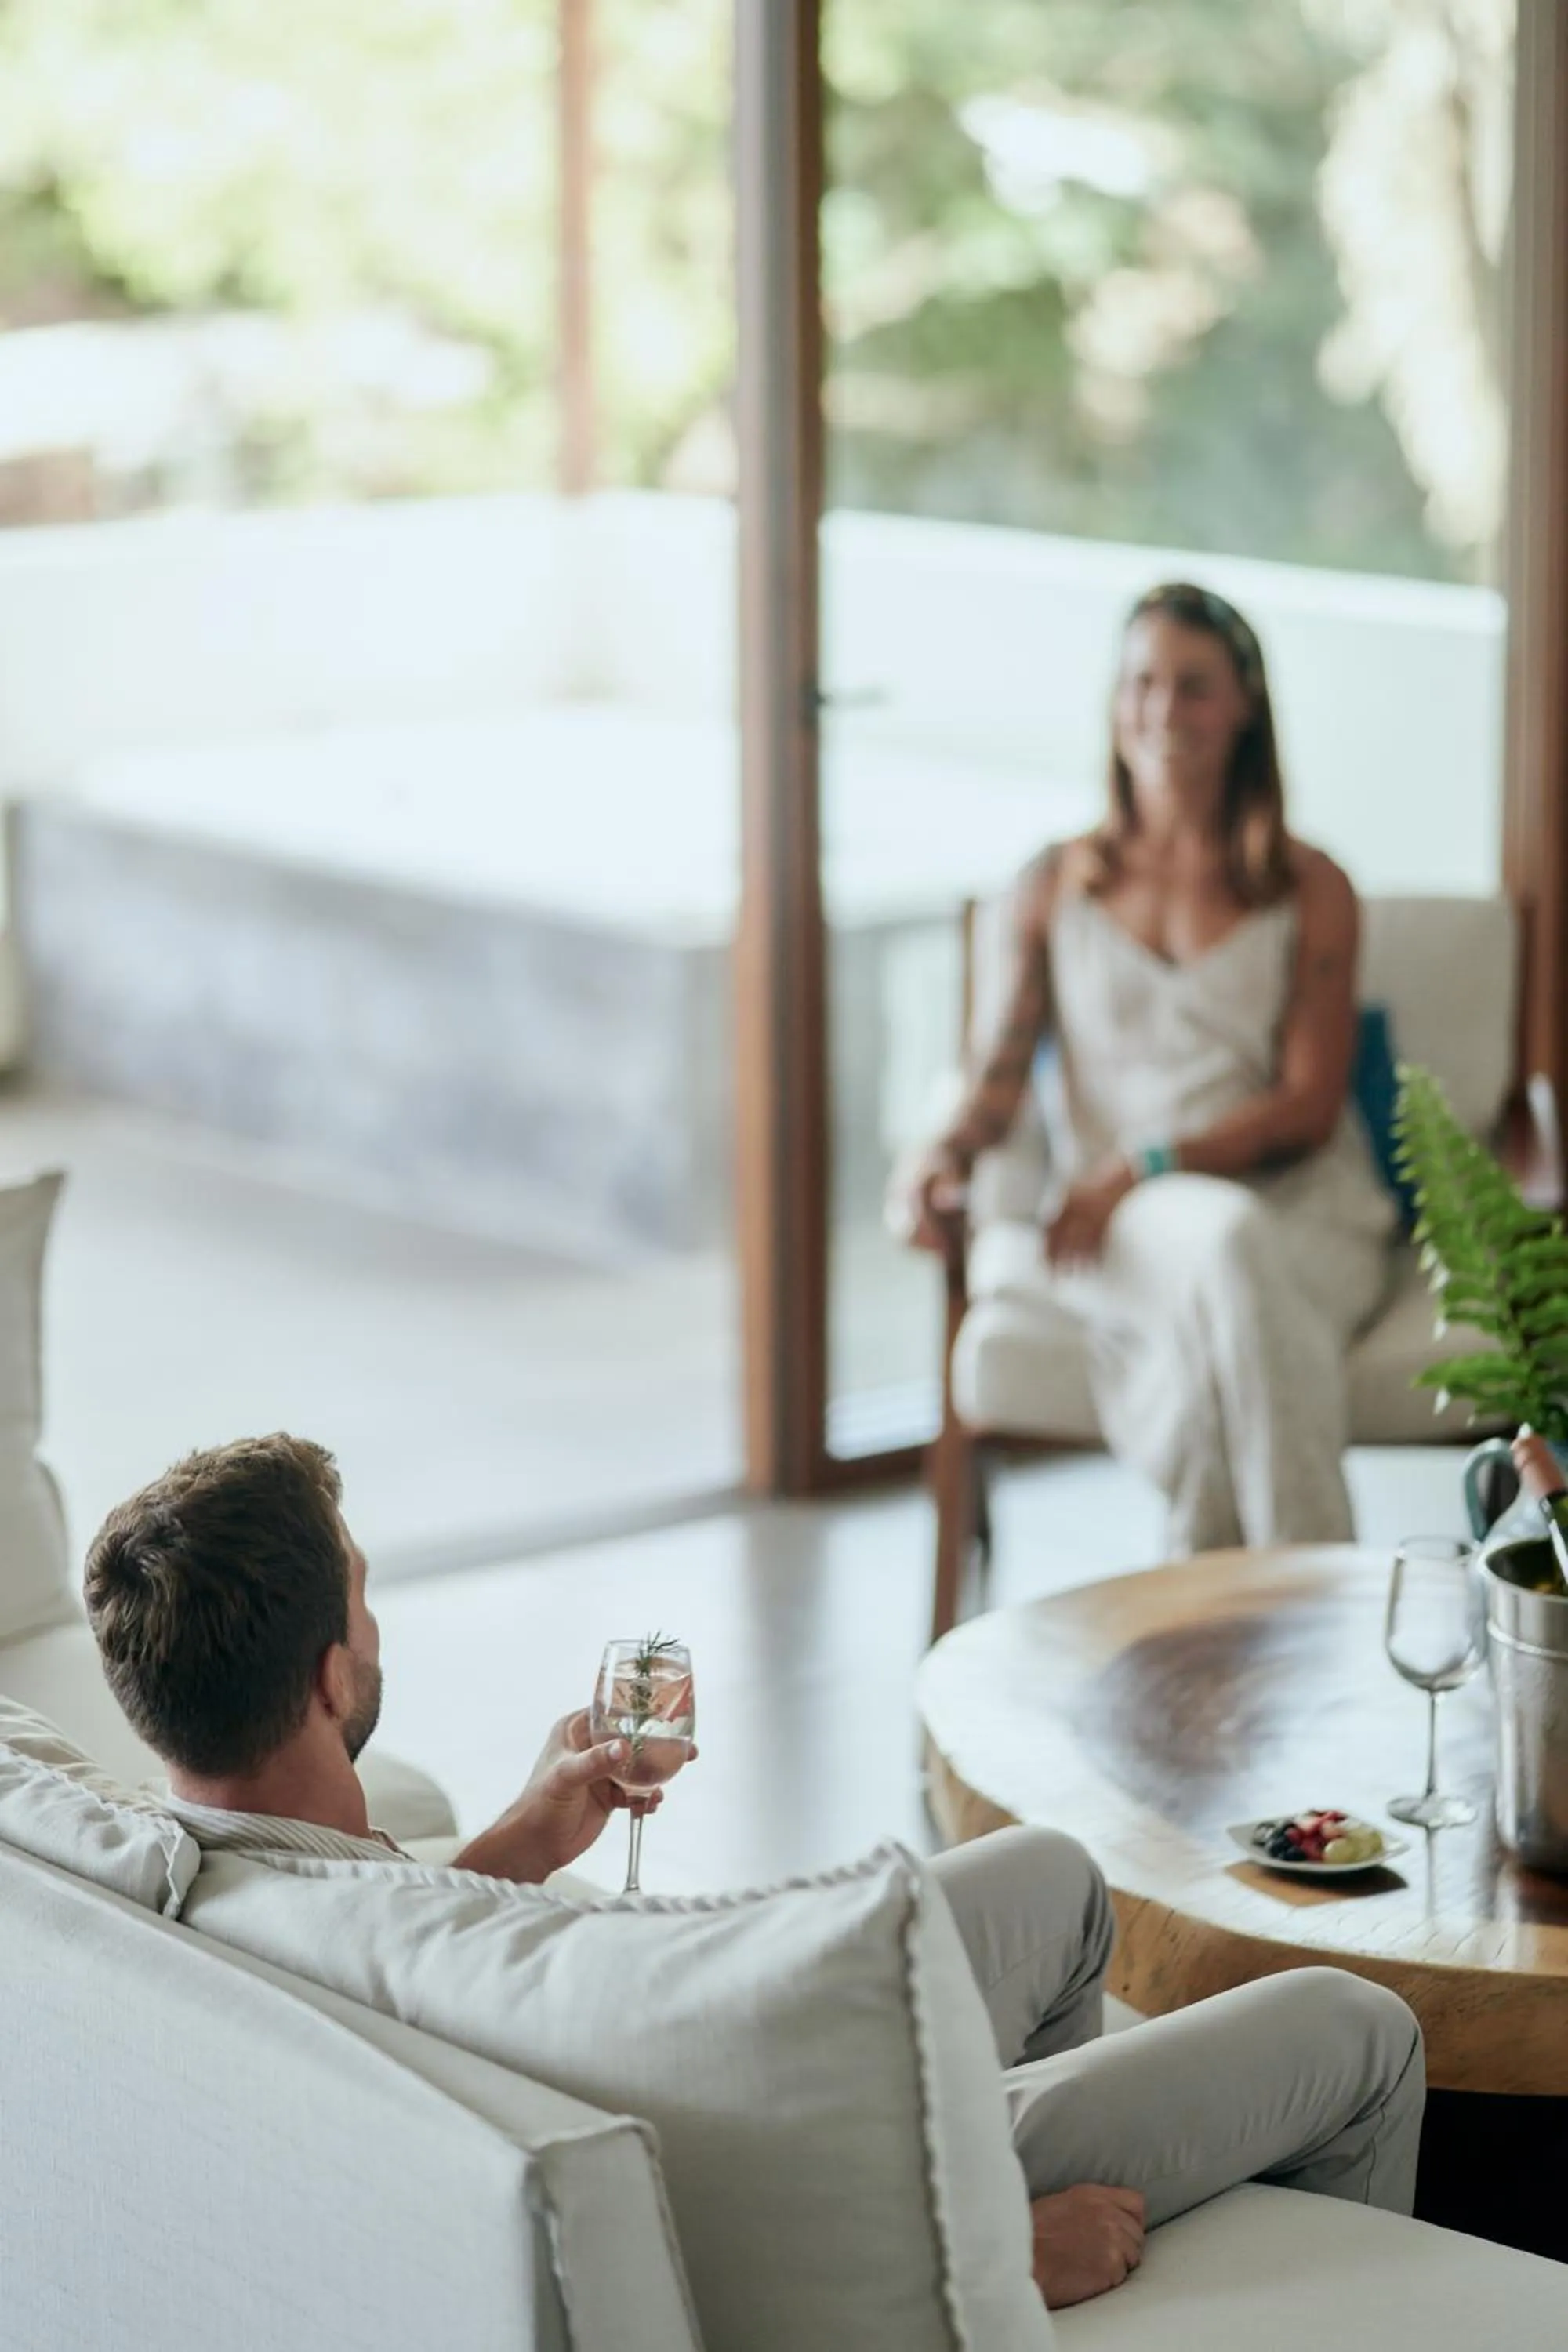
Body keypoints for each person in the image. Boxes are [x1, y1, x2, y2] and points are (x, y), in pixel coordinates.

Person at [83, 1433, 1425, 2311]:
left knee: (1055, 1883)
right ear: (330, 1677)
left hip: (759, 2137)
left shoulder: (187, 1884)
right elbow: (664, 2248)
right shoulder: (466, 1964)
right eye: (362, 1602)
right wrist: (984, 2260)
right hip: (823, 2222)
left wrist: (522, 1843)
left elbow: (396, 1939)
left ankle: (987, 2142)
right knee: (1360, 2027)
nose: (376, 1628)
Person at [905, 581, 1396, 1552]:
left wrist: (1143, 1165)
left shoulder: (1311, 886)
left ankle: (1201, 1649)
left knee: (1227, 1280)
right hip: (1114, 1233)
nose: (1162, 712)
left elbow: (1304, 1108)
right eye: (1140, 683)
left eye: (1193, 686)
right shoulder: (1053, 884)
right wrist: (932, 1156)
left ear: (1244, 704)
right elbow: (994, 1074)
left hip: (1298, 1211)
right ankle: (1318, 1614)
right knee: (1222, 1259)